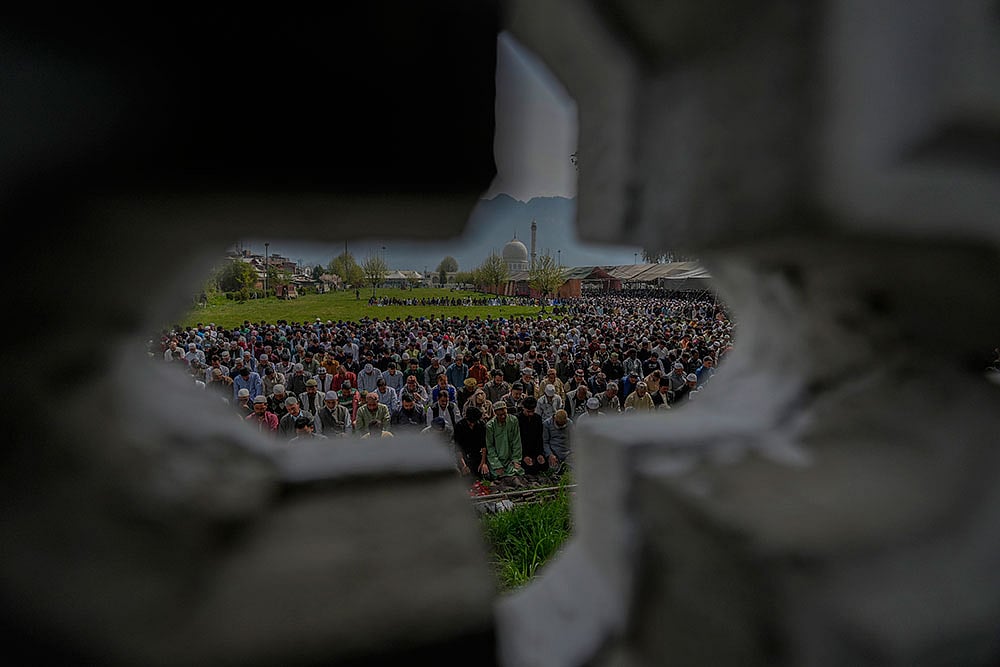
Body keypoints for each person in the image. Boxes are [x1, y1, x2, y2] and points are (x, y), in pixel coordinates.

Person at [485, 401, 525, 487]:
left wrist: (516, 459)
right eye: (500, 415)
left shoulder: (513, 420)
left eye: (504, 414)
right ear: (495, 414)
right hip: (497, 459)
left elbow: (516, 441)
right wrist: (497, 465)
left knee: (518, 471)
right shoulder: (490, 426)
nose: (503, 417)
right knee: (497, 475)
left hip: (510, 458)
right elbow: (490, 447)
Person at [453, 405, 488, 479]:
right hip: (464, 455)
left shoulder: (481, 425)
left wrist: (483, 462)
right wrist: (464, 465)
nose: (472, 424)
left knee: (482, 474)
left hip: (477, 454)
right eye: (470, 422)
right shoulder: (459, 426)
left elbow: (484, 445)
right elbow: (458, 448)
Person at [517, 396, 547, 479]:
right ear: (523, 408)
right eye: (528, 411)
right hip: (523, 451)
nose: (531, 414)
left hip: (535, 450)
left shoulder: (538, 418)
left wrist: (540, 454)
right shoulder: (518, 419)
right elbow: (517, 441)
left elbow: (539, 438)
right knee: (529, 469)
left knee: (543, 465)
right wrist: (524, 456)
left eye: (532, 411)